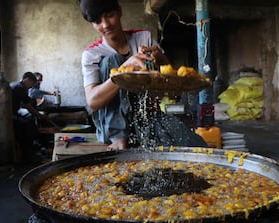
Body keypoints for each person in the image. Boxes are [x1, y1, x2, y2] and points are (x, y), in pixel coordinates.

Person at [80, 0, 207, 150]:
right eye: (97, 21)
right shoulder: (92, 54)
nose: (106, 24)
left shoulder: (142, 37)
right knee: (112, 61)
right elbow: (93, 101)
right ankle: (119, 137)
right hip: (113, 126)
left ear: (119, 12)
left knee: (197, 145)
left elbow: (169, 75)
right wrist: (125, 68)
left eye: (110, 15)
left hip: (147, 117)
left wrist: (158, 57)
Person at [10, 72, 49, 162]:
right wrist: (39, 115)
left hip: (14, 111)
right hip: (10, 114)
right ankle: (28, 154)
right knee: (28, 123)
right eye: (31, 84)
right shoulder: (19, 88)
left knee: (30, 118)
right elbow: (28, 106)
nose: (31, 86)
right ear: (27, 80)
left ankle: (34, 148)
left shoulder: (18, 85)